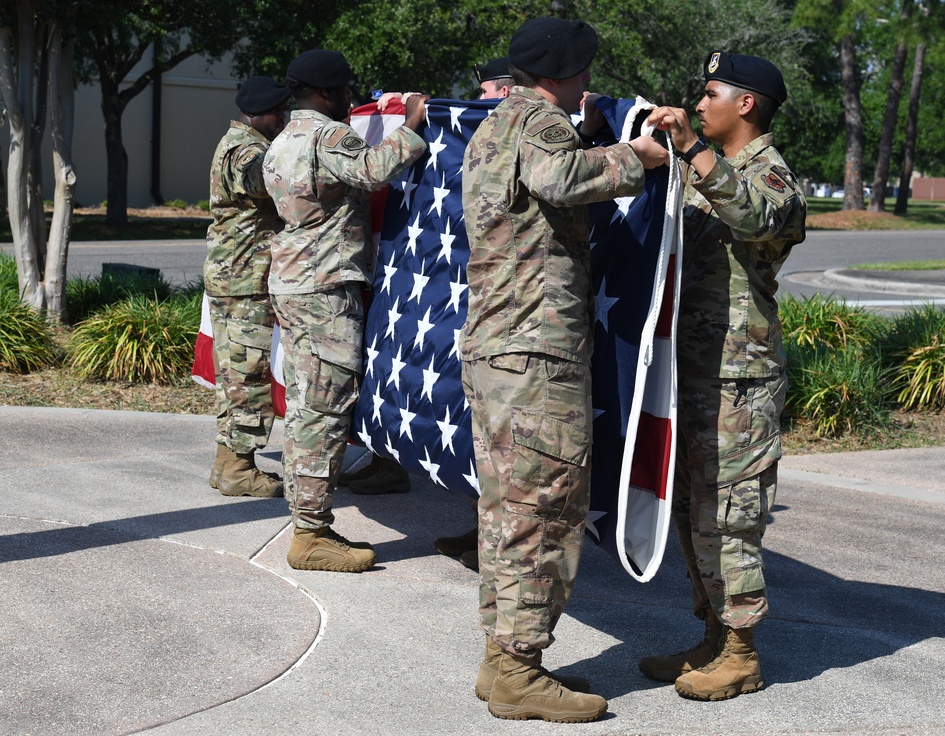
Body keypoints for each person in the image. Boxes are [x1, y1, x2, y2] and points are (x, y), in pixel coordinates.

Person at [461, 17, 669, 723]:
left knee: (504, 512)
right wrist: (636, 155)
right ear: (565, 73)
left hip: (495, 349)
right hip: (535, 352)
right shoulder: (543, 128)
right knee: (542, 511)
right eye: (583, 71)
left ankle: (501, 659)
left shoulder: (492, 126)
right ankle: (520, 668)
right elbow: (559, 175)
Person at [639, 51, 806, 701]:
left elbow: (759, 220)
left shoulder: (772, 176)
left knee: (730, 518)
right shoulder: (702, 168)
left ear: (746, 103)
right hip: (691, 373)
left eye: (711, 93)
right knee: (690, 512)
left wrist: (693, 153)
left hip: (740, 381)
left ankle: (742, 653)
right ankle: (712, 633)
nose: (698, 104)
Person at [263, 49, 428, 573]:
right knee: (323, 410)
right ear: (331, 93)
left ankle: (310, 520)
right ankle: (309, 534)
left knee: (308, 405)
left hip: (293, 282)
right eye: (346, 91)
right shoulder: (328, 135)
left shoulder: (282, 140)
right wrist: (411, 126)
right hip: (323, 288)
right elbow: (376, 169)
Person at [433, 56, 515, 572]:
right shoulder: (492, 135)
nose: (478, 102)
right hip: (490, 320)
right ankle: (488, 531)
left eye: (485, 92)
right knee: (488, 442)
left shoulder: (528, 134)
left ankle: (500, 545)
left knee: (509, 449)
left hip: (521, 324)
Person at [205, 75, 291, 499]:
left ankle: (227, 464)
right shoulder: (246, 151)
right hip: (244, 282)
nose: (285, 119)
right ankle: (240, 469)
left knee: (234, 377)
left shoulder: (238, 141)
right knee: (248, 377)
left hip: (234, 278)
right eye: (280, 113)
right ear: (260, 114)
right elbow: (265, 178)